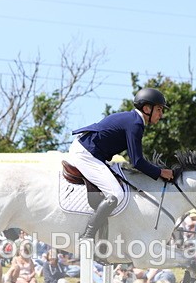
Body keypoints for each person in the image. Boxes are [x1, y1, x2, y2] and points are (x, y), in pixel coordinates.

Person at [66, 87, 174, 239]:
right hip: (86, 153)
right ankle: (88, 235)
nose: (161, 115)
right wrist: (160, 172)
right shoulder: (135, 124)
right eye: (159, 109)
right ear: (147, 109)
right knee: (117, 193)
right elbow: (137, 161)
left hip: (90, 151)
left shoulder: (133, 120)